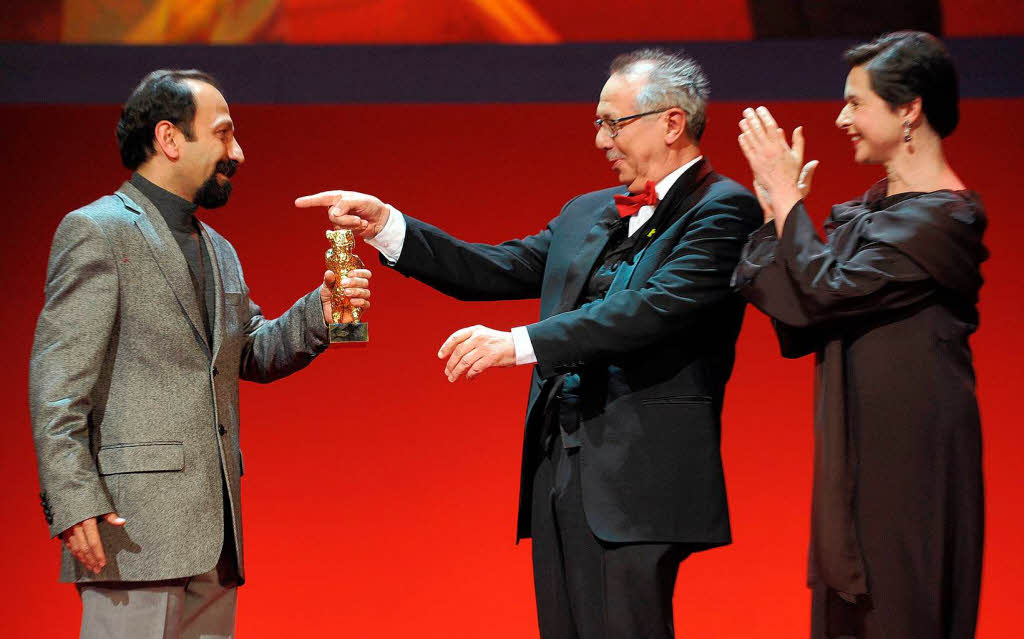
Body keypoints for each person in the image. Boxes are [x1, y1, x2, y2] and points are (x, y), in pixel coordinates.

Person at [296, 49, 761, 638]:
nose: (600, 140)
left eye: (612, 123)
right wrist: (390, 224)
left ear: (671, 122)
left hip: (643, 474)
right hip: (561, 464)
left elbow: (647, 311)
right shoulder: (588, 212)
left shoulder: (724, 209)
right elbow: (493, 268)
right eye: (598, 124)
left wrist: (519, 343)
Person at [29, 69, 371, 639]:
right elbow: (58, 383)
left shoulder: (217, 248)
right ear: (169, 139)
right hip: (130, 529)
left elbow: (251, 353)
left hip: (214, 538)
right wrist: (73, 502)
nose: (237, 151)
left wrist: (324, 307)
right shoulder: (96, 232)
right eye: (223, 135)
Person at [732, 32, 986, 638]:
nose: (841, 118)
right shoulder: (872, 215)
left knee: (899, 602)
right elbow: (801, 312)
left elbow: (824, 288)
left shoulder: (941, 219)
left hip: (910, 455)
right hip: (858, 452)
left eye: (856, 102)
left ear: (908, 110)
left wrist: (792, 201)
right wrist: (777, 212)